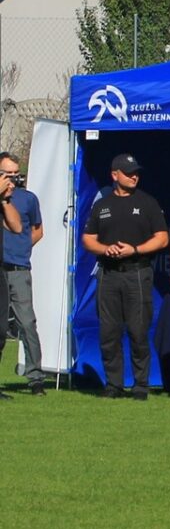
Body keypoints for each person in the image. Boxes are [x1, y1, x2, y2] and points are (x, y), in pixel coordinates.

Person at [81, 153, 169, 400]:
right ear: (114, 175)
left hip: (137, 273)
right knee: (109, 332)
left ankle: (140, 385)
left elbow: (162, 238)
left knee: (138, 331)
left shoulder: (147, 203)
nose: (134, 177)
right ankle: (114, 385)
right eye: (128, 173)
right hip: (109, 274)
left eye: (136, 173)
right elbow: (88, 239)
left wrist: (136, 249)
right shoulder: (102, 206)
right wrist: (104, 249)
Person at [0, 151, 46, 395]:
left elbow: (36, 230)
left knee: (27, 322)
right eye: (7, 174)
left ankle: (35, 377)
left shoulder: (27, 199)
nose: (13, 179)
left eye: (16, 174)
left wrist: (23, 248)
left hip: (18, 268)